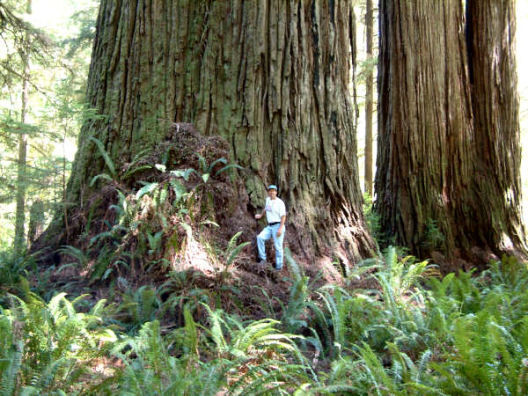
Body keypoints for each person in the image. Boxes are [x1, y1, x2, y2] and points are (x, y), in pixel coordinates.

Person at [255, 185, 287, 270]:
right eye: (270, 191)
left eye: (273, 191)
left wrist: (280, 228)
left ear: (276, 192)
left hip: (278, 225)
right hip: (269, 227)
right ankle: (263, 259)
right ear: (268, 192)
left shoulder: (280, 203)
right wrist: (261, 215)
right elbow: (266, 209)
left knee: (278, 247)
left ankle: (279, 267)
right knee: (260, 237)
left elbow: (283, 216)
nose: (272, 192)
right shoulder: (268, 200)